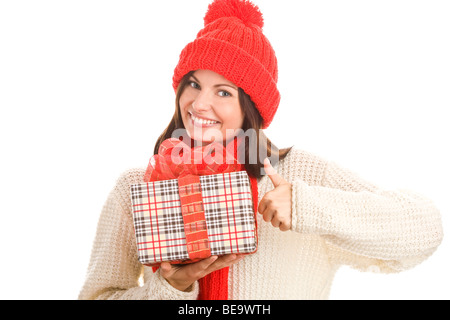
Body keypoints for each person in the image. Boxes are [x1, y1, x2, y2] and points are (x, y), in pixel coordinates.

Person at [78, 0, 443, 300]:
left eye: (224, 92)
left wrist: (306, 207)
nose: (199, 104)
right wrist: (168, 288)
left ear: (251, 107)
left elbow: (425, 229)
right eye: (193, 83)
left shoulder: (299, 176)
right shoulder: (137, 188)